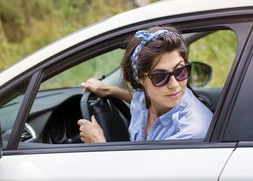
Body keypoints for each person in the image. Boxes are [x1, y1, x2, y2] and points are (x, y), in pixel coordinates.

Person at [77, 26, 213, 143]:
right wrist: (110, 91)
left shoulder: (191, 131)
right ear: (140, 80)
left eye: (180, 70)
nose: (175, 85)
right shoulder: (151, 98)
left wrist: (98, 141)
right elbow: (140, 99)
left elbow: (146, 173)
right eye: (160, 77)